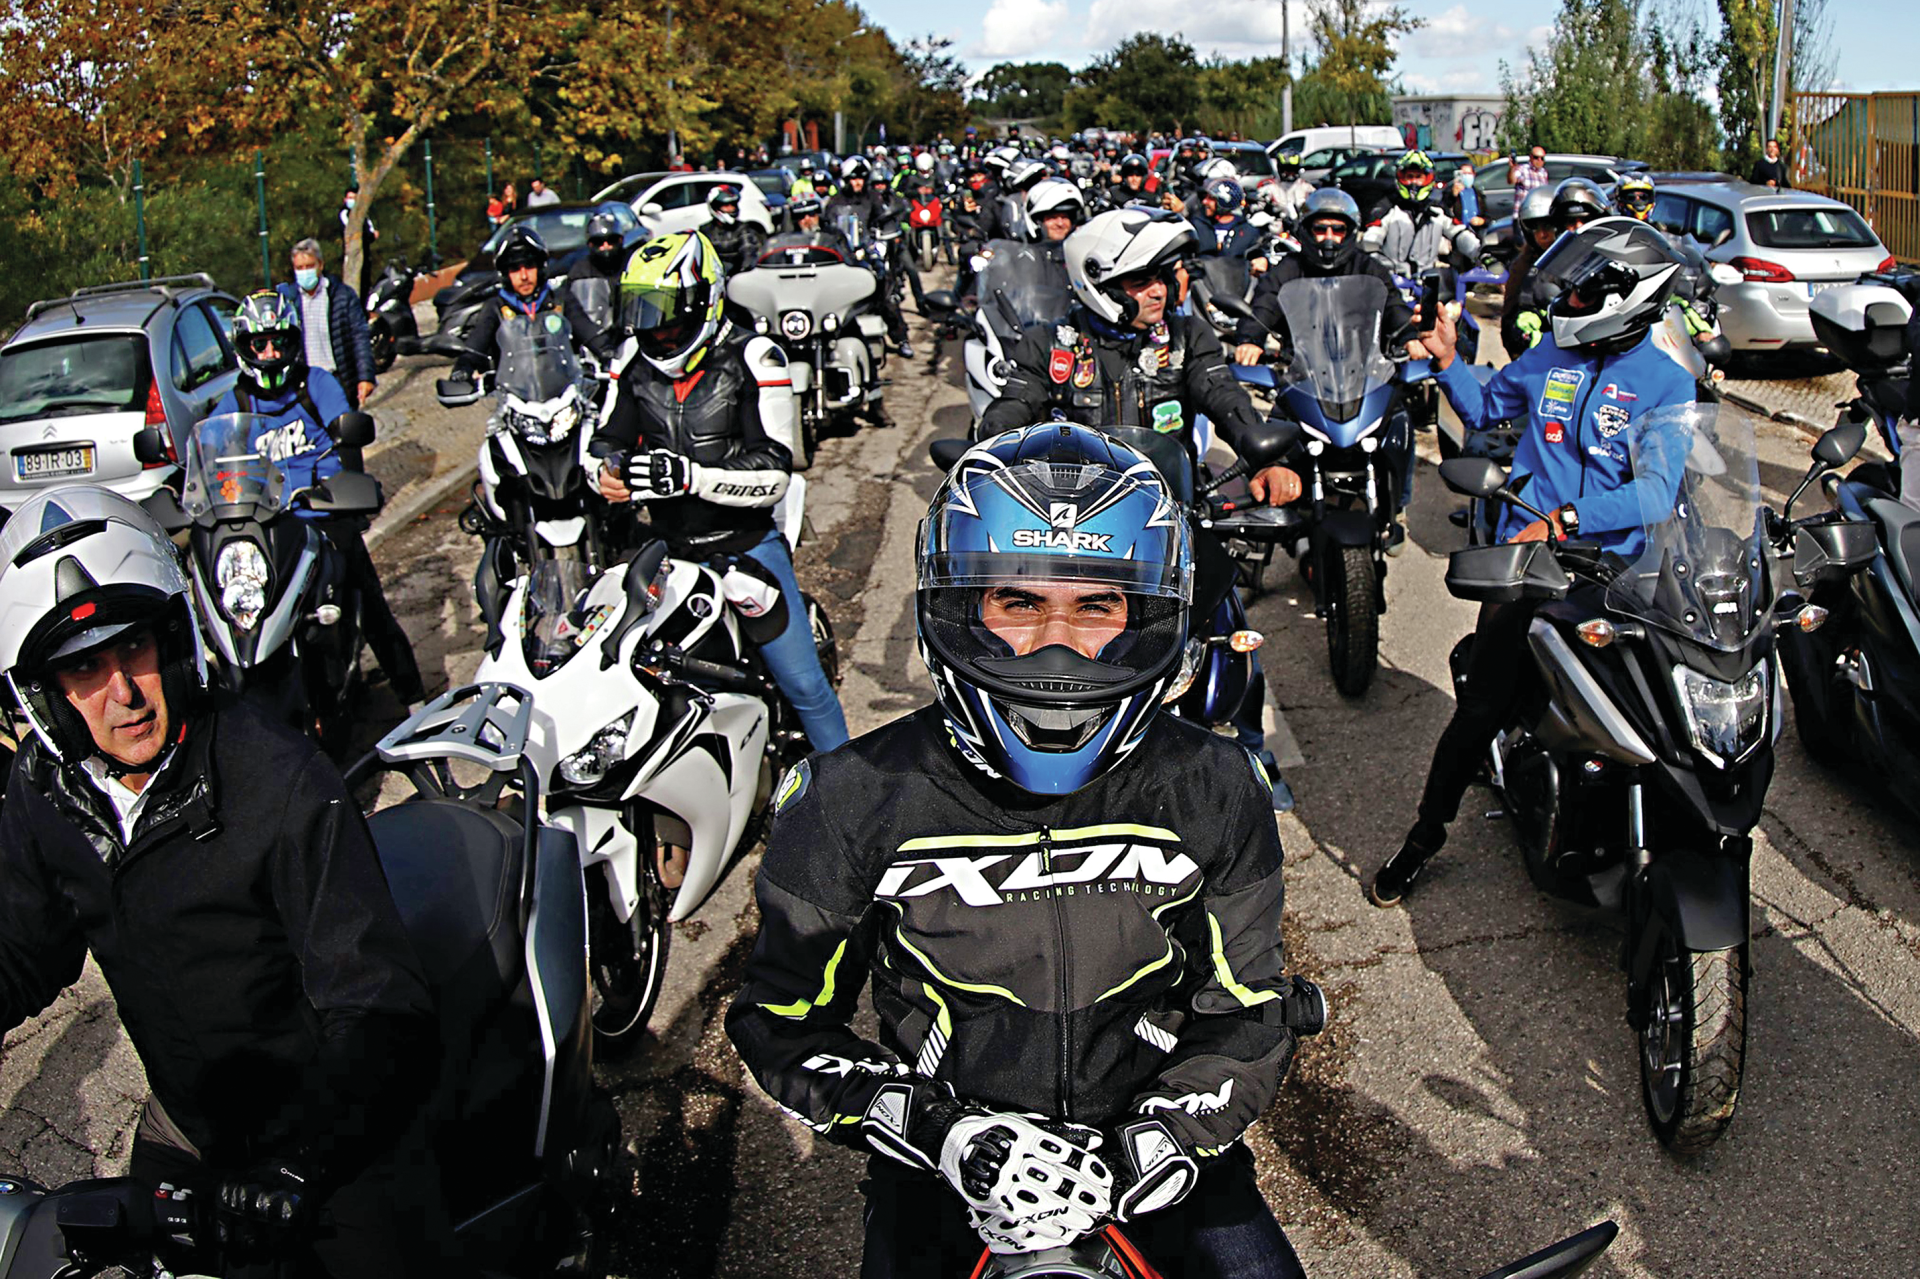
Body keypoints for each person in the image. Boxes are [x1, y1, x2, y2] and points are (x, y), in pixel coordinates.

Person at [726, 423, 1317, 1279]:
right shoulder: (851, 796)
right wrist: (939, 1131)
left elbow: (1250, 1003)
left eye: (1097, 604)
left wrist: (1157, 1139)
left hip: (1163, 1154)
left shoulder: (1213, 781)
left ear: (1148, 617)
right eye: (1018, 603)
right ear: (958, 610)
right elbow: (778, 1016)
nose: (1056, 645)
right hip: (944, 1171)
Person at [0, 485, 442, 1275]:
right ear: (47, 697)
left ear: (175, 641)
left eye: (133, 649)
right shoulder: (47, 788)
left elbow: (376, 1004)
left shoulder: (279, 780)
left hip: (321, 1137)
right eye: (84, 669)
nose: (124, 693)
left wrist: (306, 1162)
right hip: (190, 1128)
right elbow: (23, 949)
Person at [1369, 220, 1696, 907]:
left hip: (1618, 571)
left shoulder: (1667, 383)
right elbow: (1488, 408)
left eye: (1582, 294)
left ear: (1627, 296)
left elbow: (1656, 492)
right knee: (1480, 705)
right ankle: (1425, 835)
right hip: (1531, 560)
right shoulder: (1551, 354)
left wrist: (1570, 519)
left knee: (1666, 714)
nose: (1565, 305)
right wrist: (1447, 359)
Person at [591, 231, 849, 752]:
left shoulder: (755, 356)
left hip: (744, 544)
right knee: (616, 667)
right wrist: (607, 469)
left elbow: (776, 471)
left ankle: (855, 802)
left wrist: (692, 478)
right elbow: (605, 437)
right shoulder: (632, 361)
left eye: (666, 314)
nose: (657, 331)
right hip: (664, 547)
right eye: (643, 314)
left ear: (705, 299)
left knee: (804, 685)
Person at [214, 291, 427, 708]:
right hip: (267, 524)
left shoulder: (317, 384)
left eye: (279, 342)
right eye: (260, 344)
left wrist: (351, 493)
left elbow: (347, 440)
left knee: (366, 593)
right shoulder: (234, 403)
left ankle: (414, 698)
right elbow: (218, 462)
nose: (271, 353)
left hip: (324, 512)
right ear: (244, 348)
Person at [1232, 189, 1423, 550]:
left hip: (1363, 373)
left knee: (1400, 426)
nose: (1329, 239)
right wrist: (1250, 338)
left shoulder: (1369, 266)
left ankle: (1396, 505)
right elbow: (1265, 303)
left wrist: (1409, 336)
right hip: (1303, 376)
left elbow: (1393, 302)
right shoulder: (1287, 269)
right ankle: (1263, 526)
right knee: (1268, 440)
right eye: (1321, 229)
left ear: (1351, 232)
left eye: (1338, 229)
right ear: (1305, 230)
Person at [455, 223, 616, 377]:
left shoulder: (559, 299)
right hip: (514, 396)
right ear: (505, 274)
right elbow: (475, 347)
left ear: (541, 267)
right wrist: (463, 367)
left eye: (529, 266)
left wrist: (607, 352)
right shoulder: (495, 307)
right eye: (515, 269)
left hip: (564, 391)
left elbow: (588, 330)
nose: (524, 276)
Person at [1501, 178, 1608, 359]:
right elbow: (1522, 313)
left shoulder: (1615, 258)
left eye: (1585, 220)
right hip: (1568, 355)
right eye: (1571, 222)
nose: (1543, 235)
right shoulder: (1535, 269)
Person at [825, 157, 913, 361]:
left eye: (861, 178)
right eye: (853, 179)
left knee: (886, 295)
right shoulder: (836, 201)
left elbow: (883, 218)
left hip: (868, 251)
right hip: (843, 254)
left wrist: (881, 238)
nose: (858, 182)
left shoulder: (872, 198)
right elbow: (827, 226)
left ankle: (901, 339)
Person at [277, 237, 377, 409]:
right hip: (305, 383)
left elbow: (359, 337)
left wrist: (365, 377)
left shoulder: (342, 295)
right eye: (299, 268)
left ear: (320, 265)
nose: (304, 272)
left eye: (309, 266)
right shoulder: (288, 301)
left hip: (338, 380)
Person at [1361, 150, 1481, 279]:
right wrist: (1385, 269)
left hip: (1429, 285)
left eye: (1418, 177)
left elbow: (1459, 233)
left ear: (1428, 179)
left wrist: (1480, 253)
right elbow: (1370, 243)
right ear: (1401, 178)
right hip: (1393, 285)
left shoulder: (1437, 210)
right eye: (1410, 176)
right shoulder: (1386, 208)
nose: (1414, 182)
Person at [564, 211, 629, 343]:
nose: (605, 247)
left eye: (611, 241)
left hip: (630, 339)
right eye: (599, 242)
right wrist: (596, 340)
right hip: (595, 342)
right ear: (590, 245)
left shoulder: (632, 264)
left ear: (620, 240)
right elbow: (574, 313)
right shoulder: (580, 272)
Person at [700, 182, 766, 276]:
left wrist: (742, 273)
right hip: (714, 278)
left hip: (735, 278)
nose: (731, 209)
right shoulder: (705, 230)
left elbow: (748, 253)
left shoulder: (743, 229)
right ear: (715, 207)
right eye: (726, 206)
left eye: (733, 205)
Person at [1023, 176, 1087, 243]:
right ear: (1037, 221)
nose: (1060, 223)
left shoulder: (1082, 248)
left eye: (1064, 217)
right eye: (1052, 217)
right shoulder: (1021, 250)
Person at [1270, 153, 1314, 226]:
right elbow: (1259, 202)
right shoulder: (1272, 186)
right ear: (1280, 169)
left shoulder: (1306, 186)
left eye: (1293, 170)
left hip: (1302, 223)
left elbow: (1316, 200)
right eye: (1287, 170)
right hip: (1279, 224)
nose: (1290, 173)